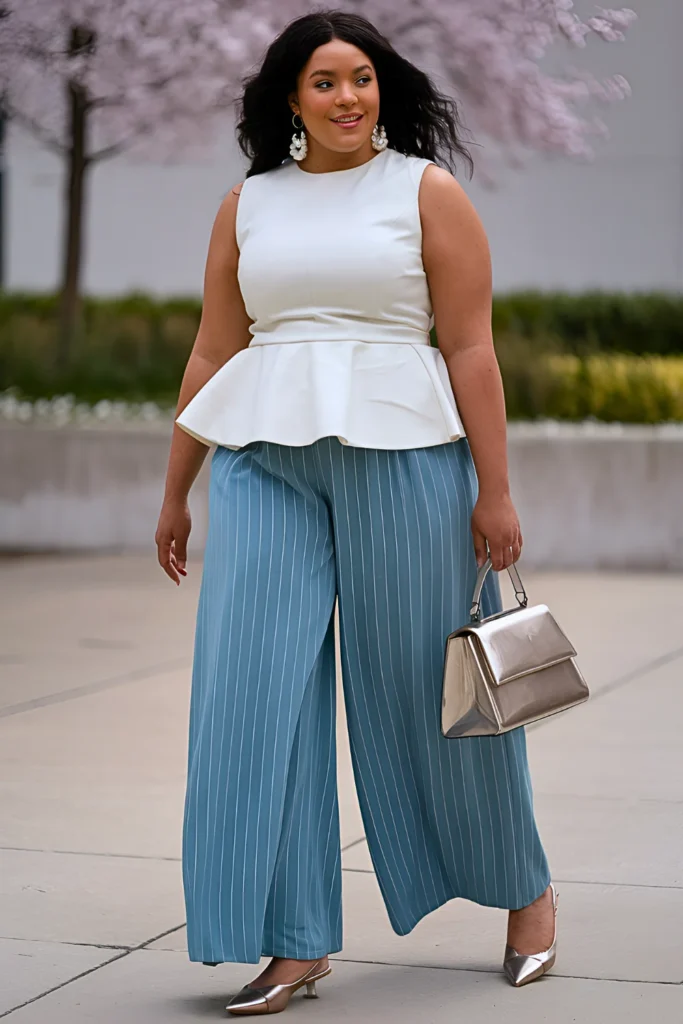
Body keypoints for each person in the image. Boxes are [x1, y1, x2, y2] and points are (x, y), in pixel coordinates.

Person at [155, 9, 557, 1016]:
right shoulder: (247, 203)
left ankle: (524, 888)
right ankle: (292, 941)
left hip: (407, 459)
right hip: (263, 464)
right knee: (255, 697)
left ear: (384, 90)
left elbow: (469, 347)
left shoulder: (425, 191)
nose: (347, 97)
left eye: (362, 78)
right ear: (290, 100)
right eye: (324, 82)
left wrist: (494, 487)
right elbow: (214, 348)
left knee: (427, 693)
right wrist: (175, 485)